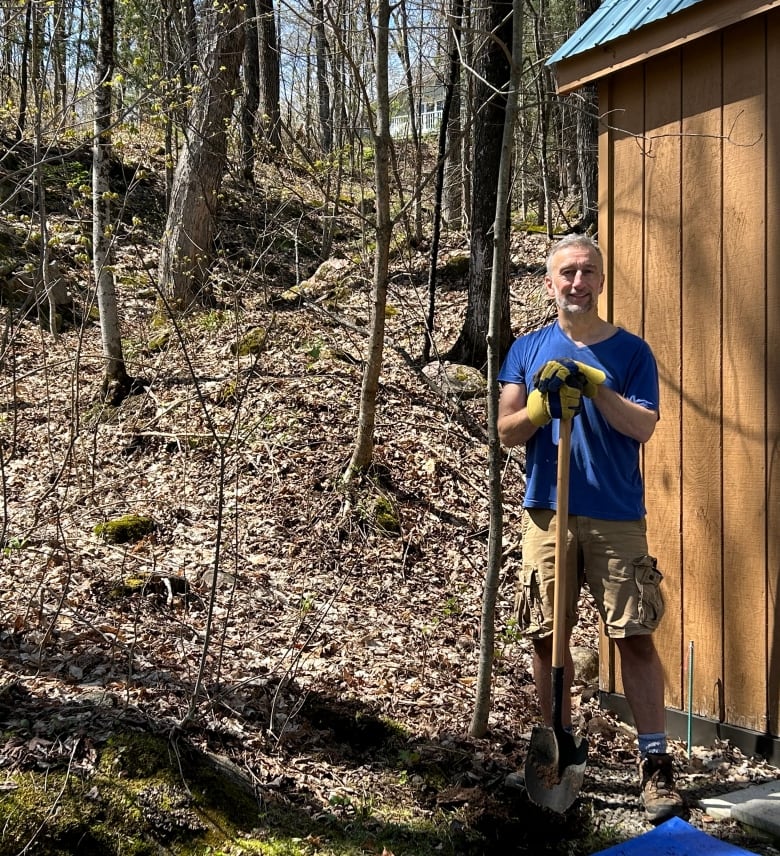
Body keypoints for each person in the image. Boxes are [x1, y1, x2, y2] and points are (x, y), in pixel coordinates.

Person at [497, 234, 684, 822]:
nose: (577, 282)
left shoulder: (631, 353)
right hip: (547, 512)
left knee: (634, 635)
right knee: (543, 632)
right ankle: (557, 747)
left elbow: (644, 426)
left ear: (602, 282)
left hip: (616, 515)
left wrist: (597, 387)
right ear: (548, 283)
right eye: (566, 273)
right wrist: (538, 407)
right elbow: (505, 430)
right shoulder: (526, 350)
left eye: (588, 272)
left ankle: (654, 765)